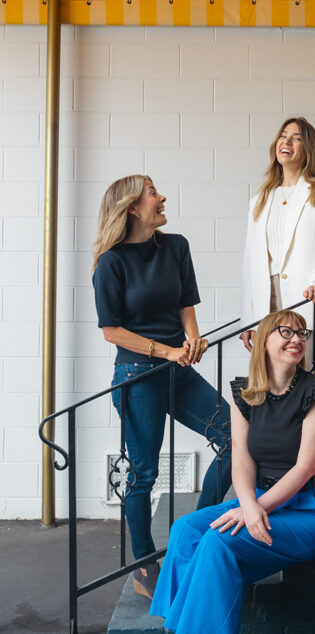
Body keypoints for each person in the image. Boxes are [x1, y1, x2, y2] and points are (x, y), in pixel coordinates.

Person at [145, 309, 315, 634]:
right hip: (258, 501)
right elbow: (241, 462)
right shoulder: (244, 392)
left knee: (217, 542)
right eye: (285, 331)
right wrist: (248, 505)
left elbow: (306, 468)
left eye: (301, 333)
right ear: (263, 340)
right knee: (184, 531)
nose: (296, 338)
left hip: (309, 509)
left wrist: (256, 509)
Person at [92, 175, 232, 600]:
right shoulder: (110, 262)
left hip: (176, 369)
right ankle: (145, 564)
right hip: (136, 375)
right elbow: (112, 331)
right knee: (144, 473)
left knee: (234, 437)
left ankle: (198, 533)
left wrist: (191, 339)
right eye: (153, 192)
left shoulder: (175, 247)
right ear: (133, 207)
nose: (162, 196)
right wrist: (165, 351)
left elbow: (184, 303)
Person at [240, 116, 315, 373]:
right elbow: (250, 264)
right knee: (278, 389)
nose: (286, 141)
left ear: (308, 148)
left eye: (296, 138)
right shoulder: (259, 200)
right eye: (283, 135)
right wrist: (249, 321)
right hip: (270, 308)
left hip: (314, 304)